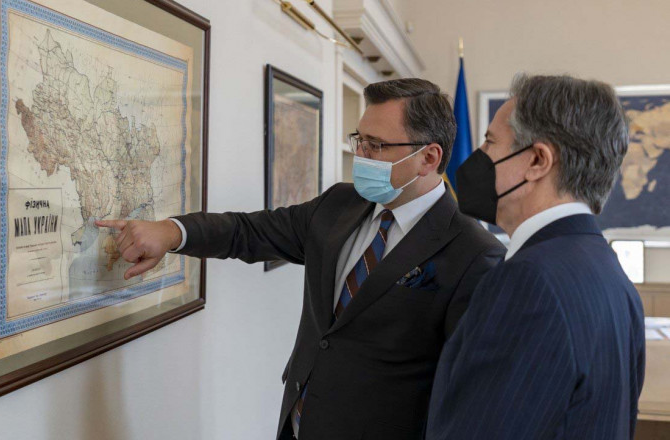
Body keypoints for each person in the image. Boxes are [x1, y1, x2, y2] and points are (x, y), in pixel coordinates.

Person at [97, 78, 505, 440]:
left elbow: (469, 394)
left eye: (375, 145)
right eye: (358, 140)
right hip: (298, 421)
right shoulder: (340, 204)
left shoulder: (475, 254)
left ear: (429, 158)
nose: (360, 155)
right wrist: (171, 233)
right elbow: (248, 231)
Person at [426, 74, 646, 439]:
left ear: (537, 161)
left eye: (490, 142)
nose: (476, 158)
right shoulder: (611, 274)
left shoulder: (528, 282)